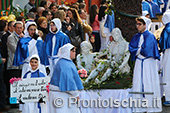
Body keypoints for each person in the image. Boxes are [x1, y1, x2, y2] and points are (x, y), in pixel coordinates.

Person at [129, 16, 162, 112]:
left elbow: (147, 50)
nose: (137, 26)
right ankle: (139, 107)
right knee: (138, 82)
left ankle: (151, 107)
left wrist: (138, 50)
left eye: (140, 24)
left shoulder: (150, 36)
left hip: (148, 62)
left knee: (149, 82)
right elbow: (131, 48)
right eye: (137, 24)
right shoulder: (136, 36)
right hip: (139, 62)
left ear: (145, 25)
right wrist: (139, 50)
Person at [49, 43, 84, 113]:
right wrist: (75, 94)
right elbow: (68, 81)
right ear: (67, 52)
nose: (75, 53)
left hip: (63, 94)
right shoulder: (65, 65)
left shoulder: (65, 62)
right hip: (61, 95)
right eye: (73, 51)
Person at [159, 10, 170, 106]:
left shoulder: (167, 29)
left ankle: (168, 98)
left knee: (167, 74)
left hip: (168, 53)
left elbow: (162, 43)